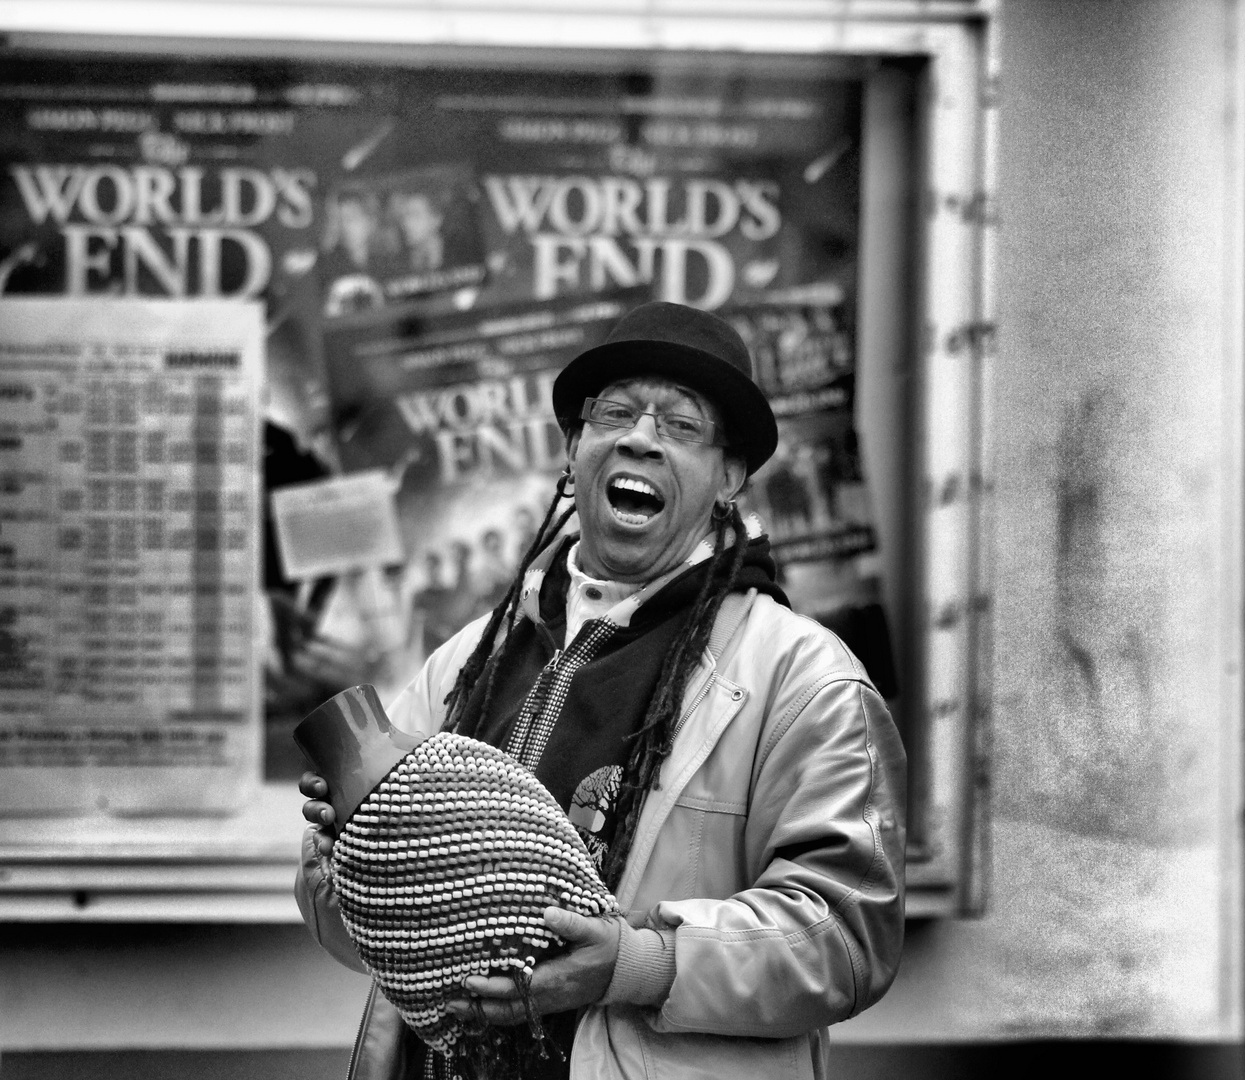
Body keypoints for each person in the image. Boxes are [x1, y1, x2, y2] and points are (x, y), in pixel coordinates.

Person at [296, 300, 906, 1080]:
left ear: (728, 477)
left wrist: (636, 963)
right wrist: (344, 853)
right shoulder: (464, 664)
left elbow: (848, 940)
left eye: (679, 425)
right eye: (614, 413)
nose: (640, 437)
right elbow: (363, 941)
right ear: (572, 449)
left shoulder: (802, 680)